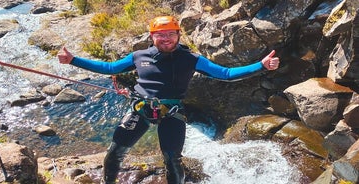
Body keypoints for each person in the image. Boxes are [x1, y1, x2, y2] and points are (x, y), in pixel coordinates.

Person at [58, 15, 279, 184]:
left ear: (178, 35)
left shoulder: (191, 59)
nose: (166, 39)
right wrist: (73, 60)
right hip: (140, 109)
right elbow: (109, 68)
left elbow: (226, 74)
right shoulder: (139, 57)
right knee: (115, 152)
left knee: (172, 158)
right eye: (160, 35)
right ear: (151, 37)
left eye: (171, 34)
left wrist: (261, 65)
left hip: (171, 112)